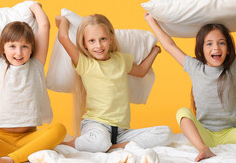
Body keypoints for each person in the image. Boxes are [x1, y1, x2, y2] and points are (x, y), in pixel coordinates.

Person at [144, 0, 236, 162]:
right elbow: (169, 45)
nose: (216, 47)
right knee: (182, 113)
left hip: (232, 133)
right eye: (209, 44)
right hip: (206, 133)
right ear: (201, 51)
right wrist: (151, 21)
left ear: (229, 49)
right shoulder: (194, 67)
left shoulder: (234, 66)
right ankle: (204, 150)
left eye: (221, 43)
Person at [0, 3, 66, 163]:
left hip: (29, 136)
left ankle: (12, 159)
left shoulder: (36, 65)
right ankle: (27, 154)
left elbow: (44, 25)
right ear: (3, 49)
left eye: (24, 47)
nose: (18, 53)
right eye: (12, 46)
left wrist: (35, 7)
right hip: (0, 137)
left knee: (59, 130)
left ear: (31, 49)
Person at [57, 14, 172, 152]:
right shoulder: (85, 63)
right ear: (84, 44)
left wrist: (155, 51)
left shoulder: (121, 60)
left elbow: (141, 71)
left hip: (121, 132)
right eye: (92, 41)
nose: (98, 45)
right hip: (96, 125)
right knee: (99, 140)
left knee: (165, 133)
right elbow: (63, 37)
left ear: (111, 38)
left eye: (103, 39)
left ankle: (111, 147)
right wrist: (63, 19)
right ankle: (68, 145)